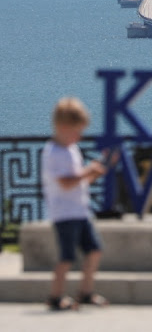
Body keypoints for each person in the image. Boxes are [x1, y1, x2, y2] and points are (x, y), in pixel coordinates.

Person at [42, 97, 110, 311]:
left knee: (94, 250)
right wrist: (88, 171)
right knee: (66, 257)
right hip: (64, 213)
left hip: (80, 210)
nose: (79, 136)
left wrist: (94, 173)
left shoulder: (72, 150)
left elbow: (78, 181)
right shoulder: (53, 153)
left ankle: (86, 292)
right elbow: (65, 182)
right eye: (76, 131)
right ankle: (55, 296)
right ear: (63, 127)